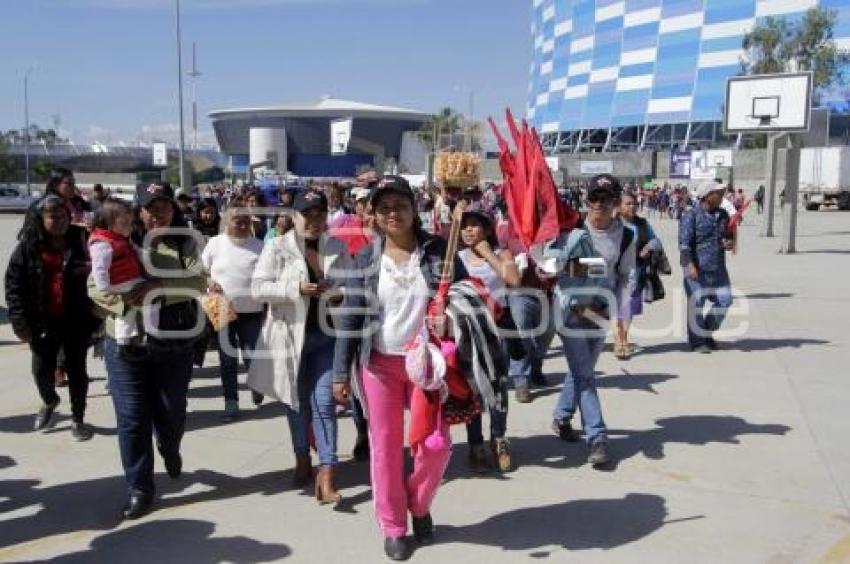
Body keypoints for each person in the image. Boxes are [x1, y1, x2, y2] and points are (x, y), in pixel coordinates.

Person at [333, 176, 468, 561]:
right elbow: (349, 318)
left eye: (401, 205)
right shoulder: (364, 259)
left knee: (434, 446)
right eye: (384, 207)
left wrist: (451, 317)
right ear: (373, 214)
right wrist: (341, 374)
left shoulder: (440, 251)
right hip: (378, 366)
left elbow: (468, 297)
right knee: (385, 450)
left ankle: (419, 504)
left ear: (414, 209)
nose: (394, 213)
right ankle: (393, 526)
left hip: (426, 365)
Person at [88, 183, 206, 520]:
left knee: (171, 412)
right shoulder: (116, 238)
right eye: (149, 207)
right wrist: (122, 303)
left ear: (173, 209)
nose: (157, 213)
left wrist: (158, 288)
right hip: (125, 342)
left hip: (173, 341)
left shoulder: (186, 240)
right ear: (138, 211)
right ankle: (139, 487)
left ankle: (169, 447)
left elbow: (199, 282)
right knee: (132, 417)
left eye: (163, 206)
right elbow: (92, 285)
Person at [249, 189, 350, 505]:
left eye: (320, 214)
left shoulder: (336, 246)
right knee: (296, 403)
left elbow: (351, 286)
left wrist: (336, 292)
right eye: (308, 214)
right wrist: (295, 289)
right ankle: (301, 457)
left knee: (323, 402)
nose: (315, 221)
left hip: (327, 337)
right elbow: (258, 288)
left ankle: (327, 472)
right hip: (290, 339)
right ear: (293, 216)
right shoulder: (277, 247)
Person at [546, 174, 636, 468]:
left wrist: (618, 312)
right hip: (569, 311)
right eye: (594, 198)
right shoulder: (569, 227)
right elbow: (547, 266)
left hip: (599, 313)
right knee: (585, 375)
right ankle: (597, 437)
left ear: (617, 203)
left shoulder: (627, 234)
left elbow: (626, 276)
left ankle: (561, 418)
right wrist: (577, 266)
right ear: (586, 200)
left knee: (580, 370)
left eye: (607, 199)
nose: (600, 205)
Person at [5, 196, 97, 440]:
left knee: (77, 371)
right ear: (41, 219)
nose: (59, 222)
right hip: (42, 321)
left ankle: (78, 419)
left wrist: (92, 269)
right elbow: (14, 284)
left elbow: (107, 266)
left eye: (63, 216)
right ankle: (50, 400)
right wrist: (19, 321)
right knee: (40, 371)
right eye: (52, 217)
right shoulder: (29, 245)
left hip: (76, 319)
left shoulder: (82, 239)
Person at [458, 208, 520, 473]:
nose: (469, 230)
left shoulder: (501, 253)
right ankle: (475, 444)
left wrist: (487, 254)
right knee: (472, 389)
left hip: (499, 330)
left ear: (487, 229)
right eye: (465, 226)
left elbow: (513, 280)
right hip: (469, 330)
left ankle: (499, 438)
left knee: (498, 387)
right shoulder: (457, 256)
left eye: (475, 225)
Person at [201, 197, 265, 422]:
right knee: (227, 358)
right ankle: (231, 403)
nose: (243, 225)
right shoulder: (215, 243)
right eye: (238, 221)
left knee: (252, 355)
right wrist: (209, 282)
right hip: (220, 306)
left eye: (246, 221)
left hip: (252, 309)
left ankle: (256, 385)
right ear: (227, 221)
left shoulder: (259, 246)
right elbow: (202, 271)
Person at [89, 198, 159, 357]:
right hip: (123, 281)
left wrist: (144, 255)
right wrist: (104, 288)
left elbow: (135, 250)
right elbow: (99, 268)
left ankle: (123, 343)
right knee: (152, 300)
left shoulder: (117, 238)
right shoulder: (102, 244)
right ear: (110, 223)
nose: (131, 225)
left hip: (122, 282)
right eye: (126, 222)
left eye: (131, 221)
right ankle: (152, 334)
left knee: (126, 313)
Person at [679, 181, 734, 353]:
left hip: (718, 268)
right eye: (718, 193)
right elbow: (684, 244)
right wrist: (689, 265)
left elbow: (727, 235)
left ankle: (707, 331)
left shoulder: (723, 214)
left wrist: (728, 242)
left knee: (725, 300)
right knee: (697, 303)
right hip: (697, 268)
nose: (722, 196)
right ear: (708, 196)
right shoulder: (691, 215)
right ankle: (698, 342)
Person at [616, 191, 663, 359]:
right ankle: (619, 340)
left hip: (636, 271)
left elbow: (656, 240)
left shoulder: (641, 224)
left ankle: (623, 339)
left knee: (629, 307)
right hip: (615, 272)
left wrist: (648, 247)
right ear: (618, 206)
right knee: (618, 307)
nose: (632, 207)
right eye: (628, 204)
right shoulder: (612, 224)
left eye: (634, 203)